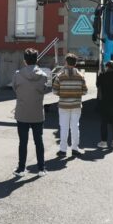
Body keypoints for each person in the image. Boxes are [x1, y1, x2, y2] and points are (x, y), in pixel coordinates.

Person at [12, 48, 48, 177]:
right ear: (37, 59)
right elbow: (44, 90)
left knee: (23, 142)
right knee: (39, 141)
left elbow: (15, 89)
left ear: (24, 61)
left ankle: (21, 168)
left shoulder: (17, 74)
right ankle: (41, 168)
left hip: (22, 112)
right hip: (37, 112)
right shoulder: (43, 75)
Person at [52, 53, 88, 157]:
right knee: (75, 127)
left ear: (66, 62)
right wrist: (76, 94)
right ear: (75, 63)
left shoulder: (60, 76)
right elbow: (85, 91)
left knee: (64, 127)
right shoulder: (81, 76)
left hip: (63, 105)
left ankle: (63, 150)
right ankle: (75, 149)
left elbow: (54, 91)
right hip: (76, 105)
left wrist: (63, 94)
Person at [96, 61, 113, 148]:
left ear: (107, 67)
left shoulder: (102, 76)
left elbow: (97, 85)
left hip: (105, 102)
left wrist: (99, 74)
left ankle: (103, 142)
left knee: (104, 122)